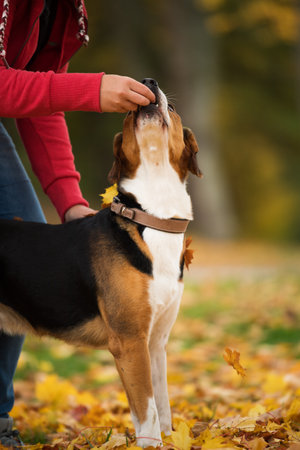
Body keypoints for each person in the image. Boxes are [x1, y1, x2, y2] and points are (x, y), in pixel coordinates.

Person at [0, 0, 155, 446]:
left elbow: (40, 97)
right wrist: (89, 90)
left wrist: (69, 201)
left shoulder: (61, 11)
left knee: (21, 261)